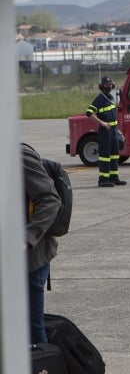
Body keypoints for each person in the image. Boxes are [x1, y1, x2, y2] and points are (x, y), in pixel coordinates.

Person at [23, 143, 62, 345]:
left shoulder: (19, 155)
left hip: (30, 259)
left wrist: (27, 237)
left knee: (34, 332)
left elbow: (50, 199)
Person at [86, 76, 126, 187]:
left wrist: (118, 130)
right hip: (105, 131)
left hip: (113, 131)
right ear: (102, 86)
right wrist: (102, 123)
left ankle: (114, 178)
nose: (109, 86)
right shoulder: (100, 98)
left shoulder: (110, 97)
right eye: (106, 85)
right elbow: (89, 113)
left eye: (110, 84)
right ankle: (103, 180)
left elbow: (112, 116)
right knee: (105, 156)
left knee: (115, 155)